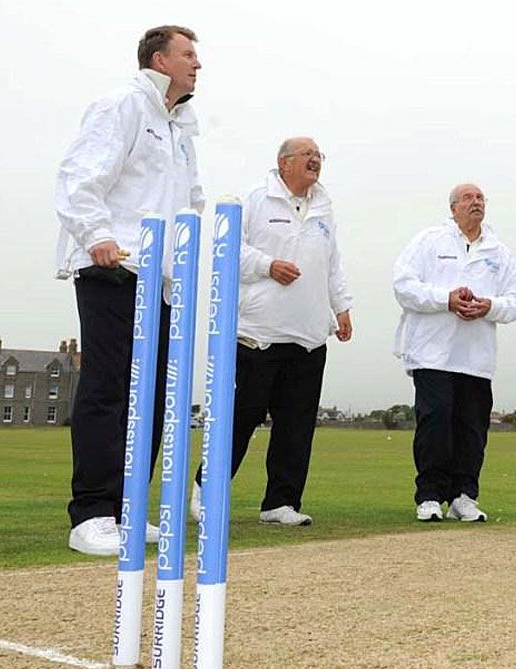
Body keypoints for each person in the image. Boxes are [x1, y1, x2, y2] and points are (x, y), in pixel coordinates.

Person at [55, 26, 203, 555]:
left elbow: (192, 202)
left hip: (159, 280)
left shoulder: (181, 130)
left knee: (152, 398)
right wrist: (97, 235)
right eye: (189, 55)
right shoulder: (122, 105)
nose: (197, 65)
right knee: (108, 388)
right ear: (159, 60)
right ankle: (91, 513)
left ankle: (125, 512)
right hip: (113, 267)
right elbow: (78, 176)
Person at [190, 137, 353, 527]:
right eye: (307, 155)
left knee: (296, 424)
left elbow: (332, 264)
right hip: (258, 331)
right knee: (242, 415)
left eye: (319, 156)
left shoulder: (324, 207)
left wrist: (342, 306)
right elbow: (226, 248)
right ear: (284, 163)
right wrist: (268, 265)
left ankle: (281, 503)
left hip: (309, 333)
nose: (316, 160)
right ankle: (205, 492)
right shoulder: (253, 198)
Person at [393, 183, 516, 522]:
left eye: (481, 197)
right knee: (435, 422)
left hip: (476, 358)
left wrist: (489, 306)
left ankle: (464, 496)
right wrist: (446, 299)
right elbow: (403, 286)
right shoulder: (430, 241)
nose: (476, 202)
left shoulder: (499, 252)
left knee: (472, 429)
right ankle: (429, 497)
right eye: (468, 198)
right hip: (432, 353)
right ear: (452, 207)